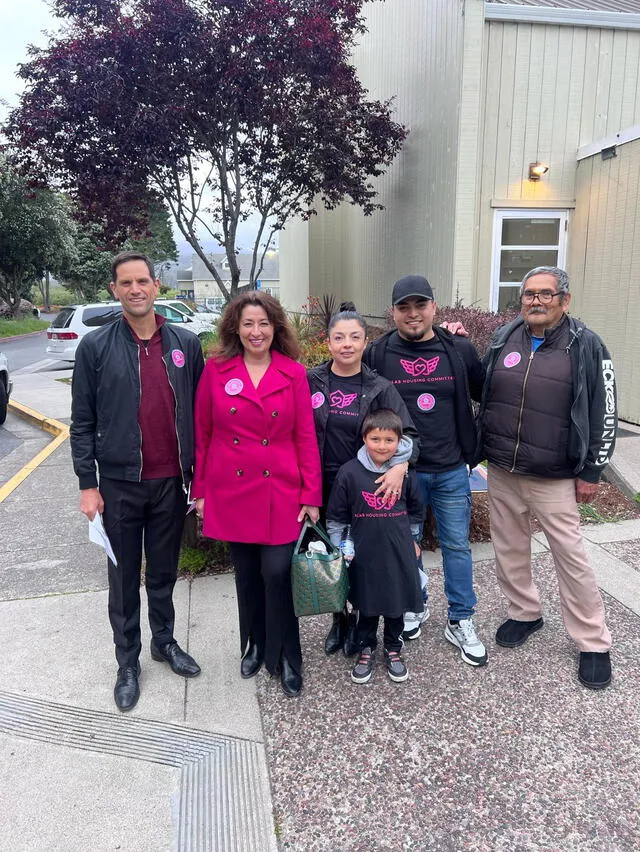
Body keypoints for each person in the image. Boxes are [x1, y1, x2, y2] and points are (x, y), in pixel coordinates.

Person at [70, 251, 204, 712]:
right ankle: (127, 662)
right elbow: (82, 422)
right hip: (120, 485)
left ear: (156, 286)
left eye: (143, 281)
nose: (135, 290)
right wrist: (88, 484)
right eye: (125, 283)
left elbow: (201, 417)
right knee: (124, 578)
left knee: (164, 574)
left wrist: (200, 478)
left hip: (172, 483)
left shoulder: (186, 343)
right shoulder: (95, 348)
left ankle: (163, 642)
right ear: (114, 290)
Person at [477, 266, 616, 689]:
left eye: (545, 294)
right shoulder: (505, 337)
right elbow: (480, 388)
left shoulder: (587, 345)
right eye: (529, 294)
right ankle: (525, 613)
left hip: (554, 475)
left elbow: (604, 410)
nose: (535, 301)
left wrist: (592, 468)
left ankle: (593, 641)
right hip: (502, 468)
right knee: (510, 550)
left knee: (571, 559)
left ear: (564, 300)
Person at [192, 291, 322, 698]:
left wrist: (311, 495)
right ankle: (252, 645)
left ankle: (286, 654)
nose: (256, 331)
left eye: (263, 323)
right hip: (232, 490)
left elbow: (305, 437)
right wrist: (200, 492)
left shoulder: (293, 374)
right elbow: (203, 435)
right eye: (248, 323)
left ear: (275, 327)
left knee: (277, 573)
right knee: (247, 576)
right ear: (235, 326)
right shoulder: (216, 370)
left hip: (281, 490)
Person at [363, 274, 488, 667]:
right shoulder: (378, 353)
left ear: (435, 308)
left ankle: (461, 619)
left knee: (456, 546)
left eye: (421, 305)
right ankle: (416, 605)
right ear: (393, 312)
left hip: (452, 468)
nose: (413, 314)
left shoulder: (459, 349)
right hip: (403, 471)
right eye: (404, 307)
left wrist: (477, 450)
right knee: (407, 545)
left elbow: (486, 395)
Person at [307, 303, 425, 655]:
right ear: (327, 342)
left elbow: (409, 436)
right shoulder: (311, 380)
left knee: (362, 557)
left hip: (366, 486)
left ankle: (361, 620)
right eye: (339, 337)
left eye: (354, 337)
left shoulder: (379, 387)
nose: (346, 344)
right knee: (333, 554)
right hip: (323, 483)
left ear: (364, 341)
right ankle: (338, 619)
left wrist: (400, 467)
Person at [326, 409, 424, 684]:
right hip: (363, 553)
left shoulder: (405, 474)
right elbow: (336, 515)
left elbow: (417, 511)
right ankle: (366, 647)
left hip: (398, 551)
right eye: (375, 439)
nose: (382, 446)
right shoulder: (349, 473)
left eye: (389, 440)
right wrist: (340, 547)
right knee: (366, 604)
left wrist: (415, 541)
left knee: (396, 603)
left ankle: (393, 647)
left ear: (399, 441)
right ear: (364, 438)